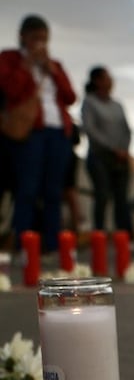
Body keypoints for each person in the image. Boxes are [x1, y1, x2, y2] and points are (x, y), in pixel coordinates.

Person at [0, 14, 76, 253]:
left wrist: (51, 70)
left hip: (58, 131)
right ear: (23, 37)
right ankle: (25, 245)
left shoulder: (54, 65)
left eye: (44, 39)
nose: (40, 44)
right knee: (28, 189)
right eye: (35, 39)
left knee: (54, 191)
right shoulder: (9, 59)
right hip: (30, 131)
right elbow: (10, 91)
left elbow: (70, 96)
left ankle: (52, 246)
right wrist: (27, 65)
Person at [80, 66, 132, 233]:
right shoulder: (89, 102)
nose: (110, 81)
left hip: (120, 159)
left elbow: (126, 129)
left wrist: (124, 148)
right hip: (100, 157)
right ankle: (99, 234)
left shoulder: (117, 105)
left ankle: (124, 235)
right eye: (106, 78)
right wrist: (111, 148)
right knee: (102, 195)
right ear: (97, 81)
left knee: (122, 198)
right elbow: (90, 129)